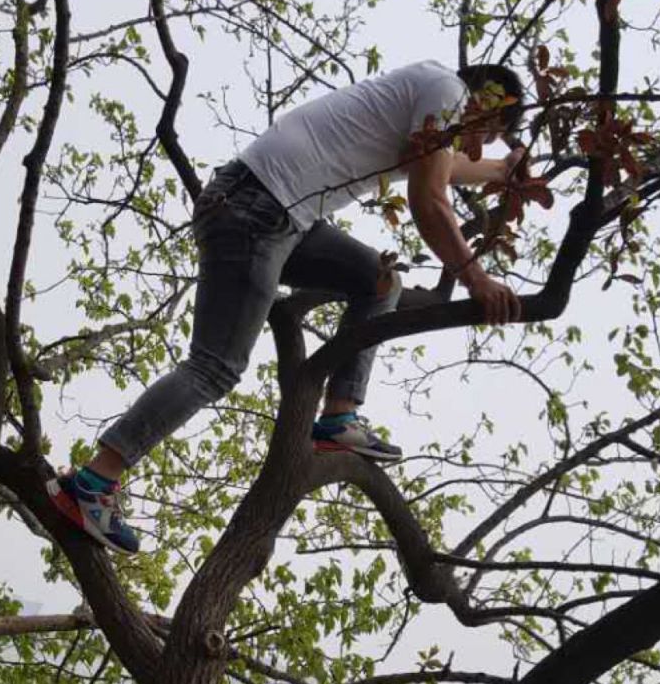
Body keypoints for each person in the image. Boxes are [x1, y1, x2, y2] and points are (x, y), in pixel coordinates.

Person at [48, 60, 525, 553]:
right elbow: (429, 197)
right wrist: (476, 278)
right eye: (488, 133)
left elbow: (445, 168)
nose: (479, 146)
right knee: (214, 368)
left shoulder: (429, 108)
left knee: (381, 282)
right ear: (485, 100)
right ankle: (92, 484)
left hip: (274, 212)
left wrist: (500, 172)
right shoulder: (447, 91)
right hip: (259, 208)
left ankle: (339, 420)